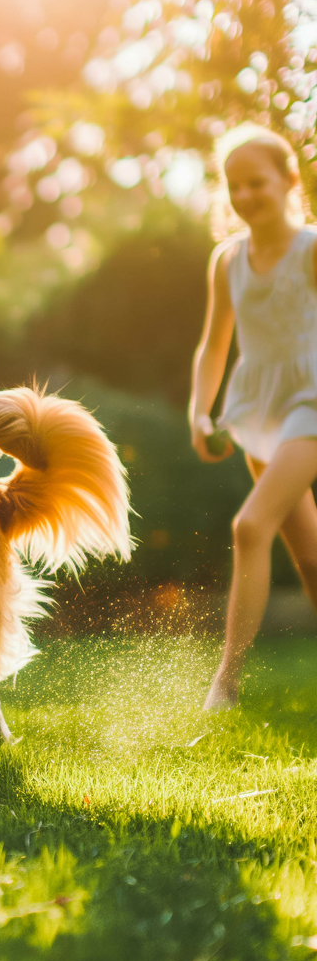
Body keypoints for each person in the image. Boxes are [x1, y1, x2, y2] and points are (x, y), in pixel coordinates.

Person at [189, 125, 317, 710]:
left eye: (257, 183)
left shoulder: (311, 249)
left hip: (310, 400)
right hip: (258, 405)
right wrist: (200, 411)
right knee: (311, 556)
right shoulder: (228, 259)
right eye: (234, 186)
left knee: (249, 527)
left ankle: (226, 683)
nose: (245, 196)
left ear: (289, 180)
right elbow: (215, 345)